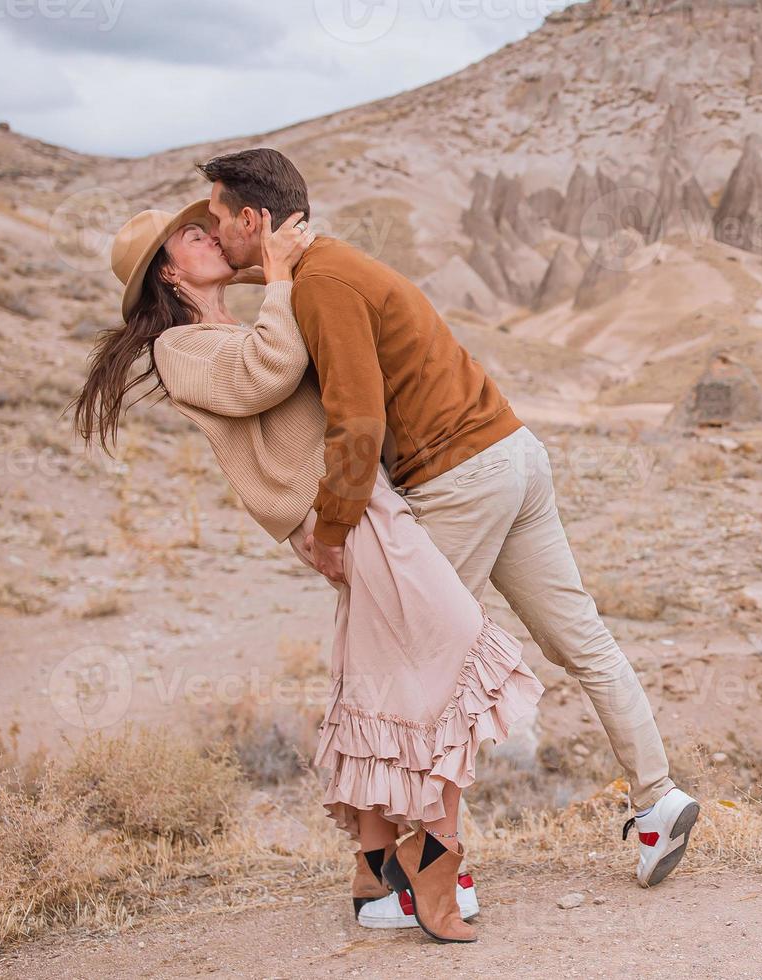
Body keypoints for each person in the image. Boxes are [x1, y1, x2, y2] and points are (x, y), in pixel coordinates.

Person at [195, 148, 701, 890]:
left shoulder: (322, 285)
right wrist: (258, 271)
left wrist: (332, 530)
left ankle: (434, 873)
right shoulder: (333, 264)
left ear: (254, 218)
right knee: (581, 639)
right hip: (514, 454)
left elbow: (358, 420)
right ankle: (658, 798)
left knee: (421, 669)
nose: (212, 238)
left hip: (460, 478)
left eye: (217, 223)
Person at [72, 202, 544, 944]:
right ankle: (433, 861)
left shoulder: (214, 333)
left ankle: (377, 875)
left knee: (374, 681)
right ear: (168, 270)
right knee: (452, 655)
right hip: (348, 519)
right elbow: (272, 369)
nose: (212, 236)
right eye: (193, 235)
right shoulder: (180, 349)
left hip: (354, 508)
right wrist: (284, 275)